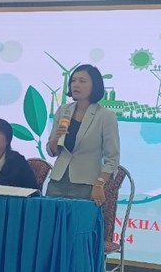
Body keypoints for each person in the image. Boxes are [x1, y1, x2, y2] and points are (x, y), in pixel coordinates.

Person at [46, 64, 120, 204]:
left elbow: (112, 159)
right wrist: (56, 137)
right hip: (57, 181)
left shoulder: (105, 116)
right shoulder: (63, 110)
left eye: (82, 81)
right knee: (52, 217)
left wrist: (99, 184)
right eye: (73, 81)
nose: (76, 85)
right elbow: (52, 151)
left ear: (94, 86)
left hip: (87, 184)